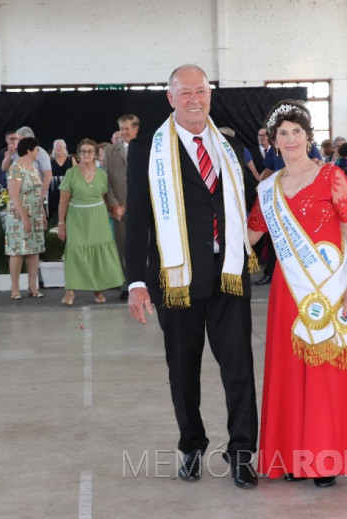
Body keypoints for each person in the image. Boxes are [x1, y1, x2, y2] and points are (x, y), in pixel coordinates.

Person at [125, 64, 259, 489]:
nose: (194, 99)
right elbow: (138, 221)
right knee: (183, 370)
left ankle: (241, 453)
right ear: (170, 98)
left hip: (228, 274)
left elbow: (252, 206)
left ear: (210, 95)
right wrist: (136, 282)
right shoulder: (148, 149)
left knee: (239, 367)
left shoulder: (230, 149)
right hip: (174, 278)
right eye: (185, 93)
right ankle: (191, 446)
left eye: (200, 91)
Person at [248, 100, 347, 488]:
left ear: (308, 137)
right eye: (282, 133)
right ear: (273, 141)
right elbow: (251, 235)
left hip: (330, 288)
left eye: (296, 132)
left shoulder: (331, 177)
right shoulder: (268, 188)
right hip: (288, 292)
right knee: (289, 371)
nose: (290, 139)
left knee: (326, 372)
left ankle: (325, 458)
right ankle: (291, 455)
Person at [57, 138, 123, 305]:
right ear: (78, 154)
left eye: (90, 151)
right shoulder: (71, 173)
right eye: (83, 151)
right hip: (77, 218)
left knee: (98, 254)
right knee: (75, 252)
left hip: (98, 218)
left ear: (95, 154)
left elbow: (105, 197)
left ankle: (98, 290)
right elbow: (63, 201)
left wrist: (113, 211)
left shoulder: (102, 175)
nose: (87, 154)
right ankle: (70, 292)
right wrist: (61, 224)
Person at [6, 137, 46, 299]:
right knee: (17, 251)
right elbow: (14, 195)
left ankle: (33, 286)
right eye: (36, 149)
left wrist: (42, 213)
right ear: (29, 151)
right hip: (19, 215)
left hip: (35, 212)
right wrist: (25, 218)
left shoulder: (33, 168)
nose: (38, 152)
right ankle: (15, 288)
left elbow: (38, 194)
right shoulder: (16, 168)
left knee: (34, 251)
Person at [105, 114, 139, 300]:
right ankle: (129, 285)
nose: (124, 132)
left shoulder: (146, 147)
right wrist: (114, 204)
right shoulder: (110, 151)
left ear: (136, 129)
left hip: (142, 207)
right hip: (120, 208)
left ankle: (147, 283)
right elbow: (106, 180)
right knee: (123, 247)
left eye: (127, 128)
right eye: (122, 128)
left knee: (146, 246)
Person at [1, 126, 53, 207]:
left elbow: (48, 176)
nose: (16, 142)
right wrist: (8, 155)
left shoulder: (41, 152)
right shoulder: (15, 152)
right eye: (16, 139)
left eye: (19, 139)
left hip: (37, 196)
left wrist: (41, 195)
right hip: (19, 197)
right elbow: (4, 168)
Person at [49, 138, 76, 220]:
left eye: (60, 146)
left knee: (68, 207)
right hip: (54, 188)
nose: (58, 148)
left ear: (65, 147)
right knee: (54, 208)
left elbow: (76, 174)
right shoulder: (50, 160)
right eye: (56, 146)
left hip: (68, 187)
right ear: (53, 148)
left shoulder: (71, 158)